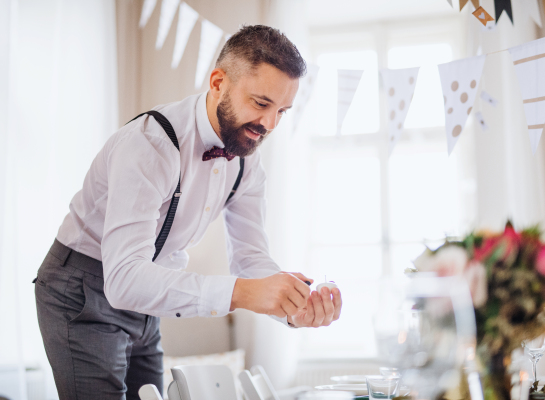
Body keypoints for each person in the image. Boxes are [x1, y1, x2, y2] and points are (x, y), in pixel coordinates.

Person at [34, 25, 342, 399]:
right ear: (218, 82)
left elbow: (251, 260)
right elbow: (125, 279)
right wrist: (243, 293)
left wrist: (291, 309)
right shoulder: (150, 145)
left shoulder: (246, 163)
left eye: (283, 111)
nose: (269, 125)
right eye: (261, 104)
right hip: (81, 288)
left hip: (148, 289)